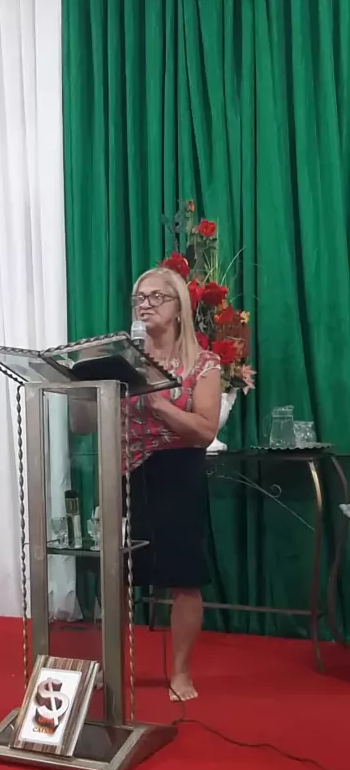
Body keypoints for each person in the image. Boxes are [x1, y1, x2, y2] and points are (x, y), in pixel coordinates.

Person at [124, 266, 221, 701]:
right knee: (117, 575)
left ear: (179, 307)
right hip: (125, 473)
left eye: (155, 297)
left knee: (184, 577)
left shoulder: (203, 364)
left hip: (178, 472)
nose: (145, 304)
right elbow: (85, 424)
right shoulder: (124, 359)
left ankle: (180, 673)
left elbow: (205, 430)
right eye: (139, 298)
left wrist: (156, 403)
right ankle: (113, 665)